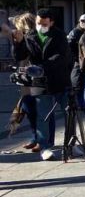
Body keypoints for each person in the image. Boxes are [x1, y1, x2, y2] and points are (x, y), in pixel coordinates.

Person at [11, 9, 71, 160]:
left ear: (51, 22)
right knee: (42, 116)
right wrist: (18, 43)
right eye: (38, 23)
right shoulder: (31, 35)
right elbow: (21, 55)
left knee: (68, 113)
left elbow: (61, 56)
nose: (40, 26)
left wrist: (43, 67)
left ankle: (70, 143)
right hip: (39, 81)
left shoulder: (59, 35)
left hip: (59, 80)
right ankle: (45, 147)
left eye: (44, 24)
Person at [12, 13, 51, 151]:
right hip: (25, 79)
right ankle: (36, 137)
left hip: (37, 78)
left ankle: (44, 140)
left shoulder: (35, 37)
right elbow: (18, 56)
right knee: (29, 110)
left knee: (40, 111)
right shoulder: (22, 37)